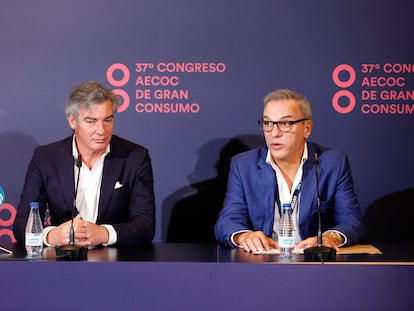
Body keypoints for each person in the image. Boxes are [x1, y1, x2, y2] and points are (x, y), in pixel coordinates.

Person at [214, 89, 365, 253]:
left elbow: (352, 221)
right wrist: (244, 236)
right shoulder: (244, 165)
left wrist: (330, 237)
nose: (274, 133)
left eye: (285, 124)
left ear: (307, 128)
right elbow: (227, 221)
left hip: (312, 263)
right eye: (267, 123)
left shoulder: (332, 163)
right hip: (262, 262)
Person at [13, 81, 156, 247]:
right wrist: (52, 236)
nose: (101, 130)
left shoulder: (135, 157)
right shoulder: (45, 158)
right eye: (91, 121)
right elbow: (21, 224)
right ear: (73, 121)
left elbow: (145, 225)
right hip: (63, 260)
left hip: (117, 262)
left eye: (107, 120)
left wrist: (104, 234)